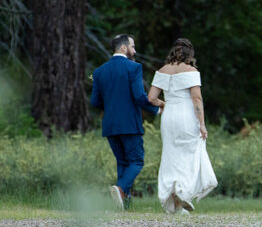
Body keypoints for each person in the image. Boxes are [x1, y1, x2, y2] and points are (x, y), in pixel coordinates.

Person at [90, 34, 160, 210]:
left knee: (122, 162)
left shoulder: (99, 72)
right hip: (129, 124)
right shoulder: (133, 67)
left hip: (110, 125)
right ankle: (121, 190)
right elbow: (139, 96)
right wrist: (156, 109)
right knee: (136, 161)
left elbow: (95, 102)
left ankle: (123, 206)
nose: (134, 50)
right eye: (133, 47)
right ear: (123, 48)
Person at [147, 38, 217, 214]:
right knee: (190, 154)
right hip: (186, 116)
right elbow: (196, 99)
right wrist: (202, 124)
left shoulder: (162, 71)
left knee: (171, 156)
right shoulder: (191, 70)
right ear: (190, 55)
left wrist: (163, 104)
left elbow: (151, 98)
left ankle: (174, 200)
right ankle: (183, 193)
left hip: (169, 116)